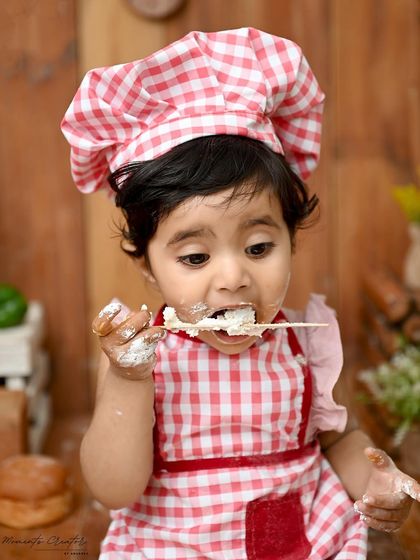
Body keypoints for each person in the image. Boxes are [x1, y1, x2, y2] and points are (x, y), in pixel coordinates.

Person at [61, 28, 420, 559]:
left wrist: (379, 482)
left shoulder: (309, 345)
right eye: (195, 258)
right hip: (174, 544)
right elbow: (114, 489)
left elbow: (340, 440)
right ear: (148, 267)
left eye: (257, 247)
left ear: (291, 241)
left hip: (301, 542)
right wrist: (128, 378)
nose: (232, 278)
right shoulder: (141, 362)